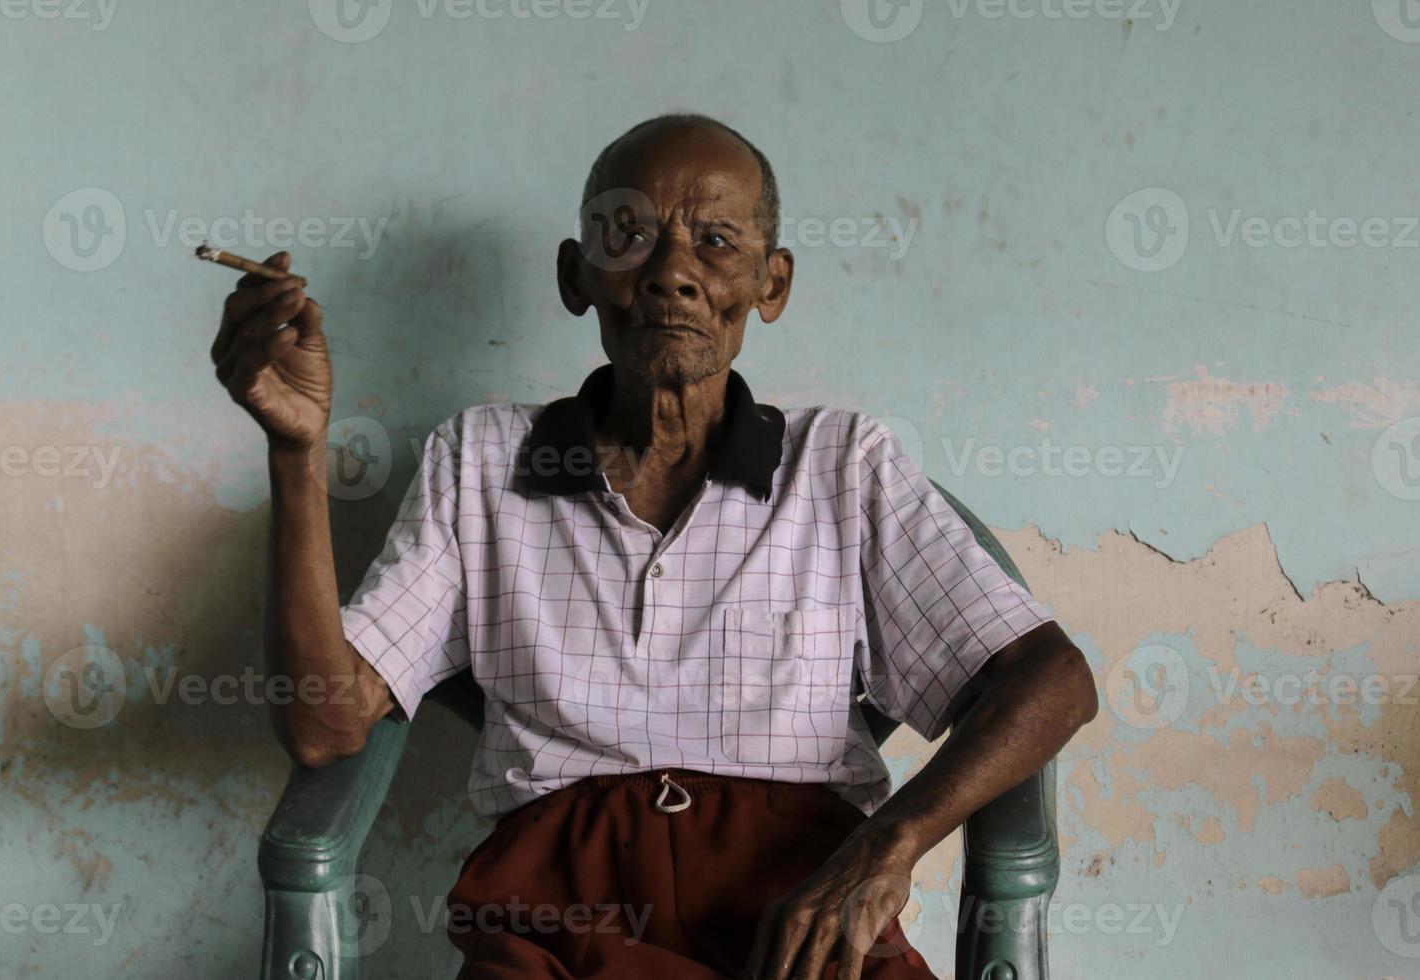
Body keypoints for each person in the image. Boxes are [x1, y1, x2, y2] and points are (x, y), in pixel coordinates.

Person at [211, 112, 1099, 980]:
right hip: (557, 931)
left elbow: (1052, 679)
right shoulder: (479, 460)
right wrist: (296, 453)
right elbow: (324, 728)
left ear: (771, 284)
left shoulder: (842, 465)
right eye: (629, 233)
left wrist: (887, 847)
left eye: (716, 241)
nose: (673, 272)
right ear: (578, 274)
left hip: (801, 926)